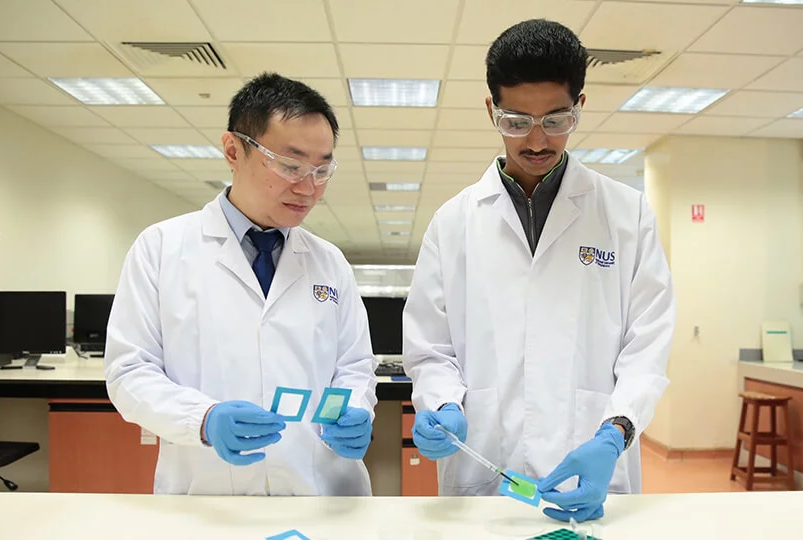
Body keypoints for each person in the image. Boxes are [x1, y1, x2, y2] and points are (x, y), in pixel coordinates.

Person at [403, 20, 675, 522]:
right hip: (484, 472)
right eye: (515, 121)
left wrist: (616, 432)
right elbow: (430, 348)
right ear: (492, 110)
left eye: (555, 120)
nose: (535, 140)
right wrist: (441, 404)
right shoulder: (453, 222)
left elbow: (647, 348)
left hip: (594, 468)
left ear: (579, 107)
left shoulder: (626, 215)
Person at [104, 73, 377, 496]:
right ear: (233, 150)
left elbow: (355, 366)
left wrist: (356, 408)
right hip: (208, 497)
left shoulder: (329, 262)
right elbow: (129, 373)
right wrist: (203, 420)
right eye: (290, 166)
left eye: (322, 170)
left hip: (321, 495)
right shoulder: (160, 248)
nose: (309, 188)